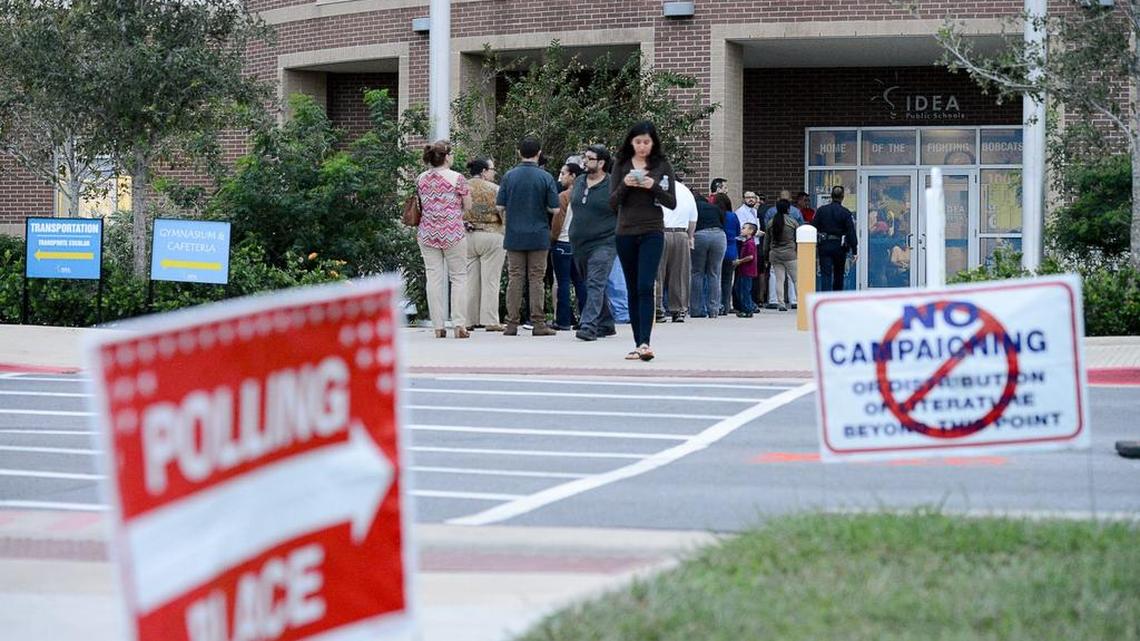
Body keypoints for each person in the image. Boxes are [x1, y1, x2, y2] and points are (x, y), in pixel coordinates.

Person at [609, 121, 677, 362]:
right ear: (631, 142)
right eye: (637, 142)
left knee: (645, 285)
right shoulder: (621, 164)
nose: (642, 146)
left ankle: (645, 342)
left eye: (646, 142)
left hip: (652, 230)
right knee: (632, 287)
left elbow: (671, 202)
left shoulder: (662, 165)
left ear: (653, 142)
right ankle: (637, 342)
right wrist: (626, 185)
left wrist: (652, 185)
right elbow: (612, 202)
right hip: (625, 231)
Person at [497, 135, 560, 336]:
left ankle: (511, 324)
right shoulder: (546, 177)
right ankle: (538, 323)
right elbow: (555, 208)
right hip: (539, 235)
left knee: (515, 278)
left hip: (514, 235)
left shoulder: (509, 176)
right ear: (539, 153)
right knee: (536, 279)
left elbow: (499, 205)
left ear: (519, 153)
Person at [416, 140, 472, 338]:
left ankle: (438, 326)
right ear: (447, 156)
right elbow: (468, 205)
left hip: (427, 232)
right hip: (453, 232)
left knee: (433, 278)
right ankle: (459, 325)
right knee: (459, 277)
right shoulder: (457, 178)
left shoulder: (421, 178)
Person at [569, 145, 618, 341]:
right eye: (585, 157)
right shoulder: (580, 181)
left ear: (601, 163)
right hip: (579, 243)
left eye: (590, 158)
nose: (585, 161)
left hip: (605, 241)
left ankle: (588, 326)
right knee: (591, 283)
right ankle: (606, 323)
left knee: (596, 282)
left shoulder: (613, 184)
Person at [463, 157, 505, 332]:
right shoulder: (495, 189)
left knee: (469, 280)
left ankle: (468, 319)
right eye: (491, 169)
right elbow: (502, 211)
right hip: (492, 235)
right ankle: (490, 320)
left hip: (467, 235)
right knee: (491, 280)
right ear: (483, 171)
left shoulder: (462, 187)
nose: (493, 172)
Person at [550, 161, 586, 330]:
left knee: (563, 282)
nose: (561, 177)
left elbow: (558, 222)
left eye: (564, 173)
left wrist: (552, 239)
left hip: (563, 242)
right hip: (580, 244)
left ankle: (563, 320)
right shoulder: (586, 195)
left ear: (573, 176)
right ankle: (586, 318)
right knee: (580, 282)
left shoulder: (564, 196)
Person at [657, 175, 697, 323]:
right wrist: (690, 237)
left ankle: (657, 309)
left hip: (660, 233)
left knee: (657, 273)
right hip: (681, 233)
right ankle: (679, 310)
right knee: (680, 274)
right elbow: (693, 219)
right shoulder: (686, 191)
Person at [763, 189, 805, 309]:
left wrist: (766, 256)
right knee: (795, 279)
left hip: (775, 254)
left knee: (778, 279)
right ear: (788, 209)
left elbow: (766, 242)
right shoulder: (793, 222)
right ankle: (797, 301)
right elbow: (799, 237)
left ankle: (779, 302)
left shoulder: (771, 222)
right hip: (790, 254)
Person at [814, 185, 858, 291]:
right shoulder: (845, 212)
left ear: (831, 196)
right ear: (842, 197)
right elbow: (851, 232)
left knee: (825, 274)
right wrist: (854, 250)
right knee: (839, 274)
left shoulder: (821, 211)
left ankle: (825, 300)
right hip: (839, 247)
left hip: (824, 245)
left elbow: (813, 227)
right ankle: (836, 299)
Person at [689, 191, 726, 318]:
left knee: (697, 273)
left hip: (700, 235)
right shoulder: (715, 208)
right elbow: (723, 221)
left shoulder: (693, 207)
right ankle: (714, 310)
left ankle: (696, 310)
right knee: (714, 273)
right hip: (718, 235)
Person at [719, 193, 741, 316]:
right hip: (731, 249)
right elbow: (738, 231)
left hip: (718, 249)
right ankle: (726, 306)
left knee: (716, 278)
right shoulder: (733, 216)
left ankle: (717, 305)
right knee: (728, 281)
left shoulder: (717, 215)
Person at [733, 222, 759, 318]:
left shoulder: (750, 243)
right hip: (743, 270)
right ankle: (745, 308)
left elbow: (750, 257)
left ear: (751, 231)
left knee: (745, 290)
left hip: (747, 271)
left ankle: (747, 309)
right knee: (739, 289)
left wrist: (739, 261)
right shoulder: (746, 242)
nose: (741, 230)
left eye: (744, 228)